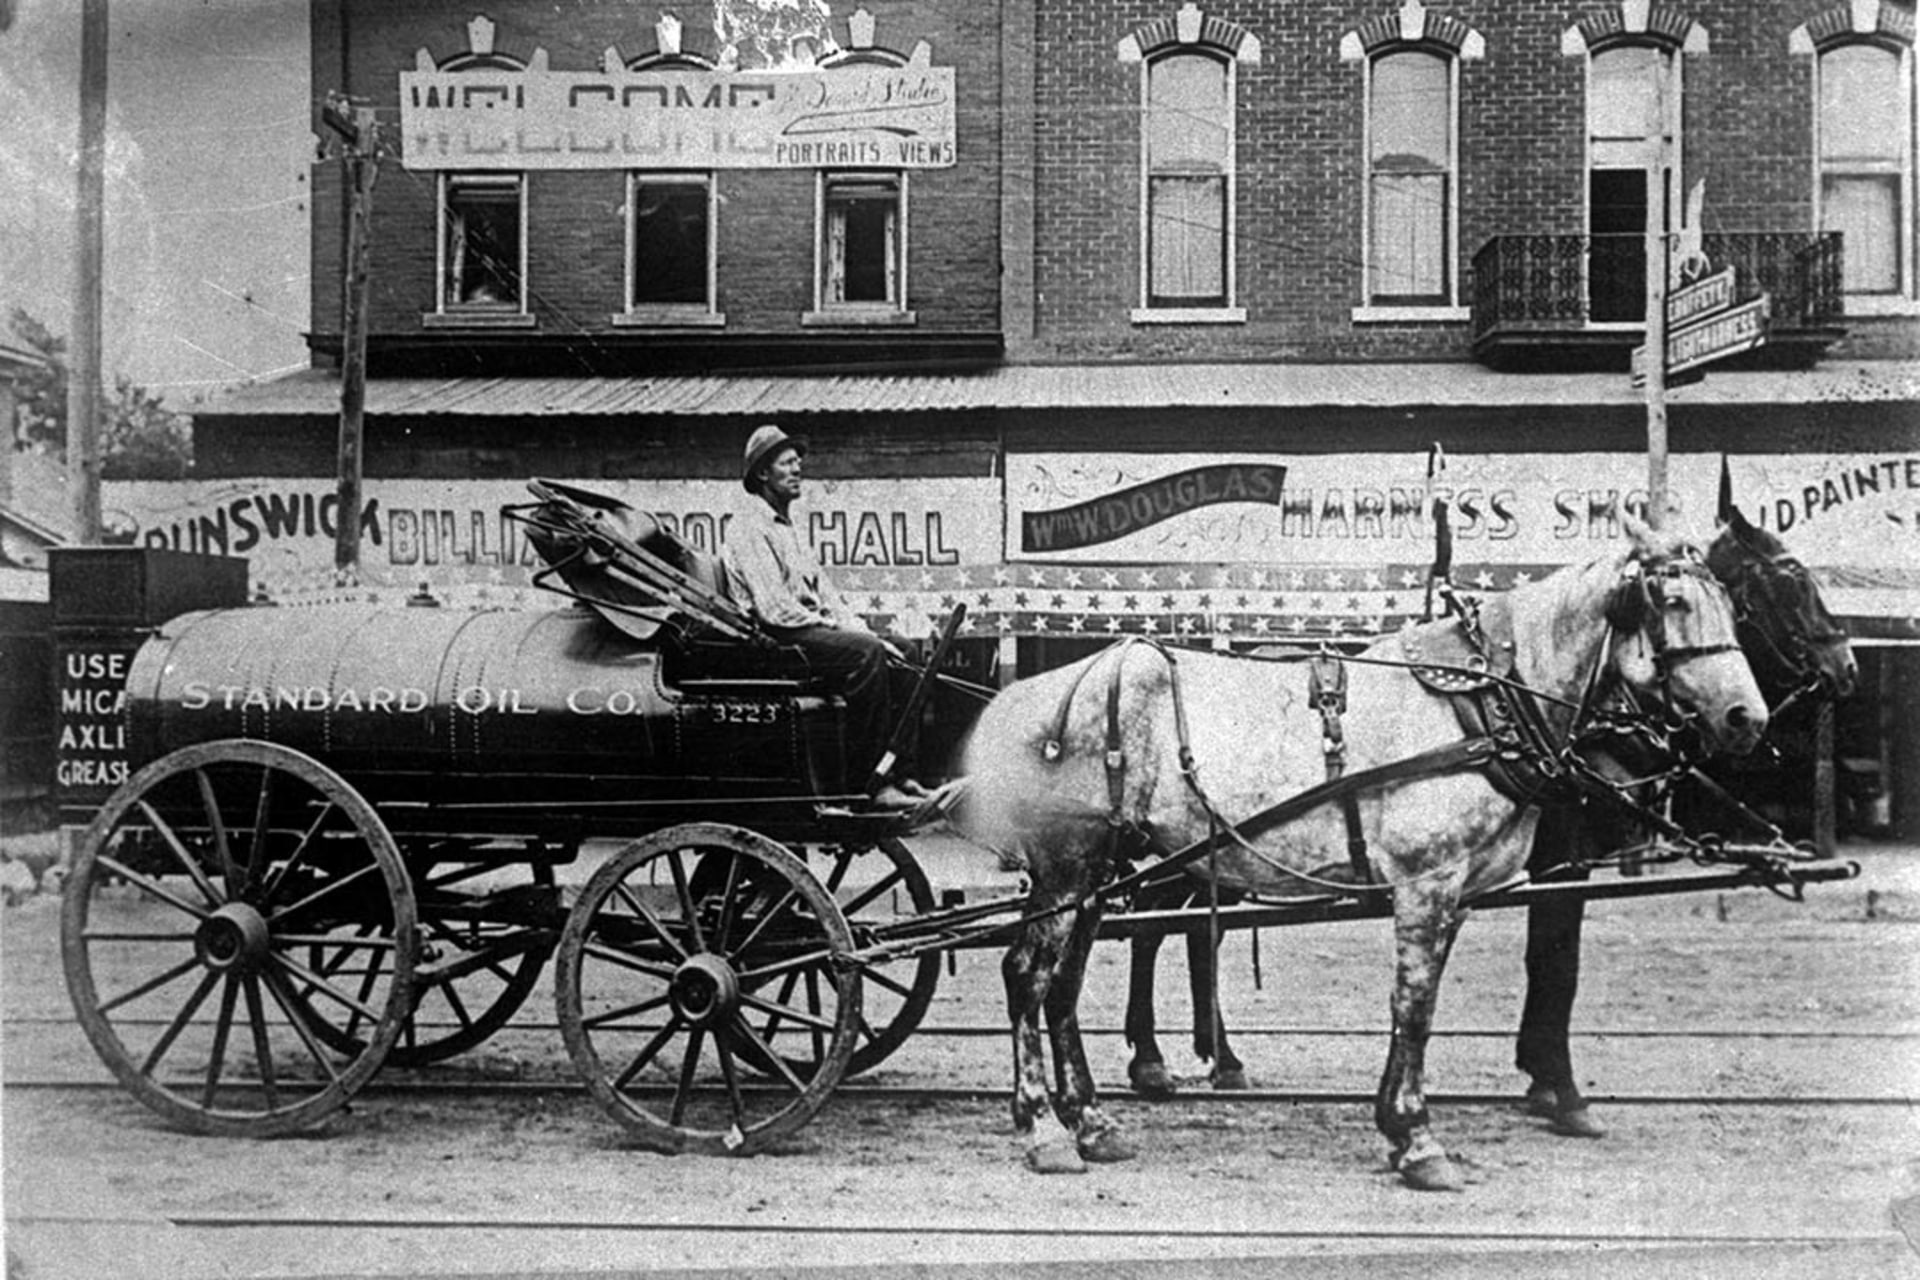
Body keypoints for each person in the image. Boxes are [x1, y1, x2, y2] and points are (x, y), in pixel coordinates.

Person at [723, 424, 928, 808]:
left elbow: (829, 598)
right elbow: (774, 609)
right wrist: (855, 637)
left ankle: (901, 773)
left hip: (804, 630)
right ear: (763, 474)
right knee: (865, 654)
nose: (798, 469)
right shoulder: (749, 527)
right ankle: (867, 784)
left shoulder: (791, 531)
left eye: (798, 462)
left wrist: (868, 633)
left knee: (905, 653)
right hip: (775, 639)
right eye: (787, 463)